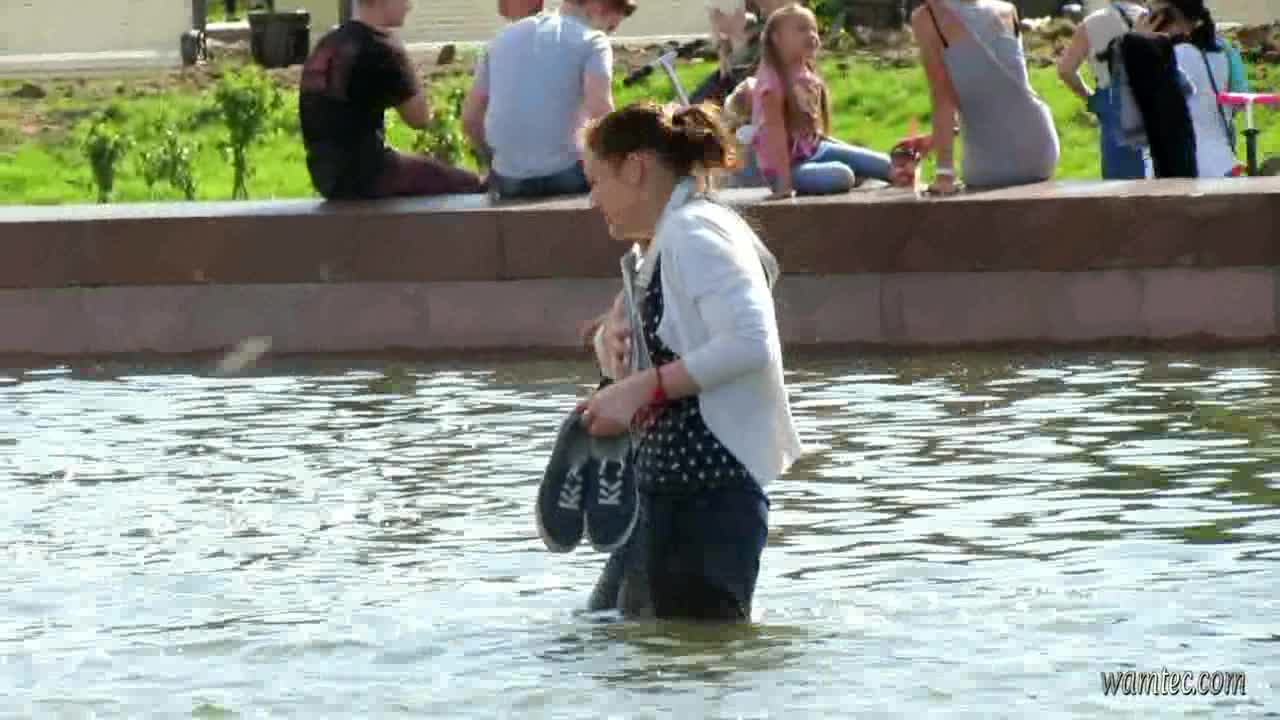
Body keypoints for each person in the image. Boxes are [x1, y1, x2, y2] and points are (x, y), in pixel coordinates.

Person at [574, 102, 803, 621]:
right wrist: (608, 343)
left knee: (691, 655)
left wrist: (640, 389)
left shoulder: (696, 232)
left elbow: (749, 341)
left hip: (710, 499)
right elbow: (667, 336)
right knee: (606, 635)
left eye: (596, 180)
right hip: (663, 492)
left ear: (636, 168)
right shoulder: (666, 238)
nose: (593, 198)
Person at [299, 0, 485, 201]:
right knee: (471, 183)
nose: (409, 6)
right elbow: (420, 118)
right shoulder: (381, 45)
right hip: (368, 174)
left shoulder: (328, 42)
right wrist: (408, 69)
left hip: (324, 175)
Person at [461, 0, 636, 199]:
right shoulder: (592, 40)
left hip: (509, 178)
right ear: (600, 7)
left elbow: (470, 118)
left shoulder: (501, 39)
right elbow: (600, 112)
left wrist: (493, 163)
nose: (608, 34)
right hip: (568, 174)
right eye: (610, 27)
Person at [753, 4, 915, 197]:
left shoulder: (806, 75)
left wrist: (850, 151)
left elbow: (814, 136)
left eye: (814, 29)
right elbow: (775, 136)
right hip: (787, 168)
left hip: (816, 151)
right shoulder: (772, 85)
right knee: (841, 175)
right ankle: (853, 173)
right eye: (802, 29)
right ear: (777, 38)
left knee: (885, 163)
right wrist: (783, 184)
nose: (811, 35)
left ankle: (896, 175)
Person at [911, 0, 1060, 194]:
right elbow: (997, 90)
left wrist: (944, 174)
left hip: (988, 162)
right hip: (1040, 146)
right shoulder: (1007, 9)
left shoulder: (928, 17)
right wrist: (938, 138)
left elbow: (943, 98)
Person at [1146, 0, 1248, 178]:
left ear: (1169, 18)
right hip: (1222, 160)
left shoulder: (1175, 55)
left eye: (1152, 15)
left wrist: (1139, 43)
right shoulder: (1219, 54)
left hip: (1184, 165)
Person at [1057, 1, 1150, 179]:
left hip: (1112, 101)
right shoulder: (1154, 19)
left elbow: (1065, 70)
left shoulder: (1092, 23)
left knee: (1120, 183)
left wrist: (1091, 98)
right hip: (1152, 98)